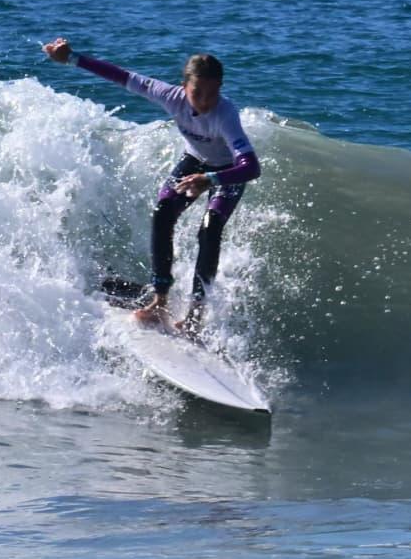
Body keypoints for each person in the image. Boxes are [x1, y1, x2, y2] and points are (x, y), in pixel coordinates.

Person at [43, 37, 261, 336]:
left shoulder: (225, 115)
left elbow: (251, 167)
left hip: (226, 173)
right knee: (163, 212)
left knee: (209, 230)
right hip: (195, 161)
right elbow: (122, 76)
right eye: (198, 92)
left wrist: (210, 180)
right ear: (184, 87)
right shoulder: (169, 96)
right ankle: (160, 300)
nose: (205, 100)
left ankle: (196, 314)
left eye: (213, 93)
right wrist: (71, 58)